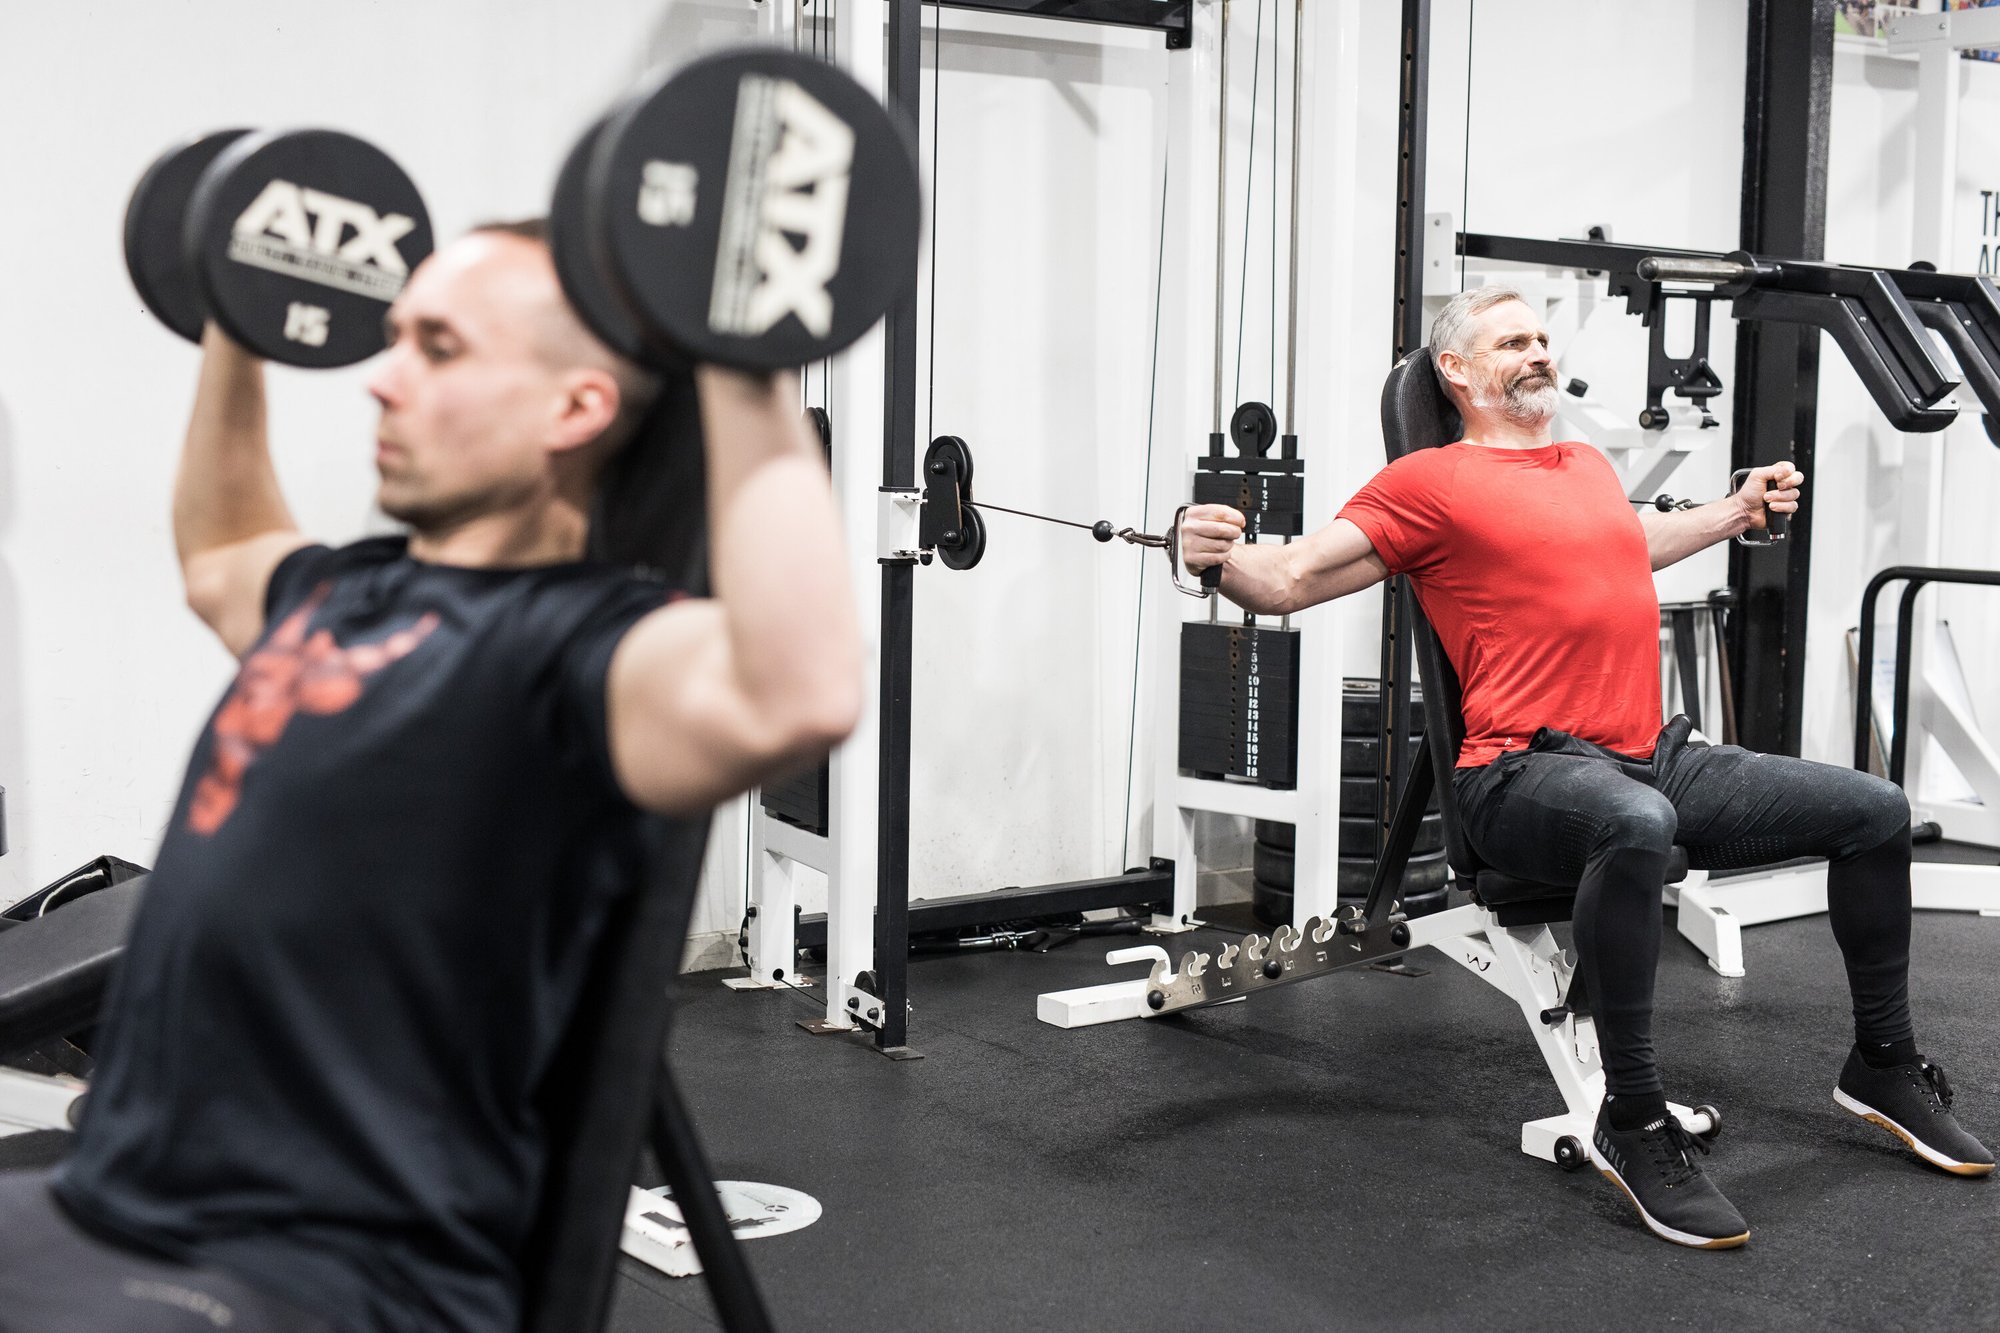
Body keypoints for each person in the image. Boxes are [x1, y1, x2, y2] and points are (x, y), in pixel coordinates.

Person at [0, 221, 863, 1331]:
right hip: (116, 1194)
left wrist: (748, 351)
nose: (382, 381)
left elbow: (796, 690)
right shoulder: (348, 594)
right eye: (395, 337)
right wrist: (239, 317)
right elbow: (221, 555)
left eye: (438, 348)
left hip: (329, 1265)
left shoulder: (587, 653)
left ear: (574, 408)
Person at [1179, 285, 1993, 1250]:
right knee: (1634, 825)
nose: (1537, 353)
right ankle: (1635, 1120)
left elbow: (1631, 544)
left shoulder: (1583, 464)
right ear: (1456, 371)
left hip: (1650, 752)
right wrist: (1214, 556)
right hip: (1520, 771)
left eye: (1541, 338)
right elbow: (1292, 578)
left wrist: (1734, 511)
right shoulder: (1427, 482)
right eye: (1511, 340)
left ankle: (1885, 1063)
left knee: (1874, 808)